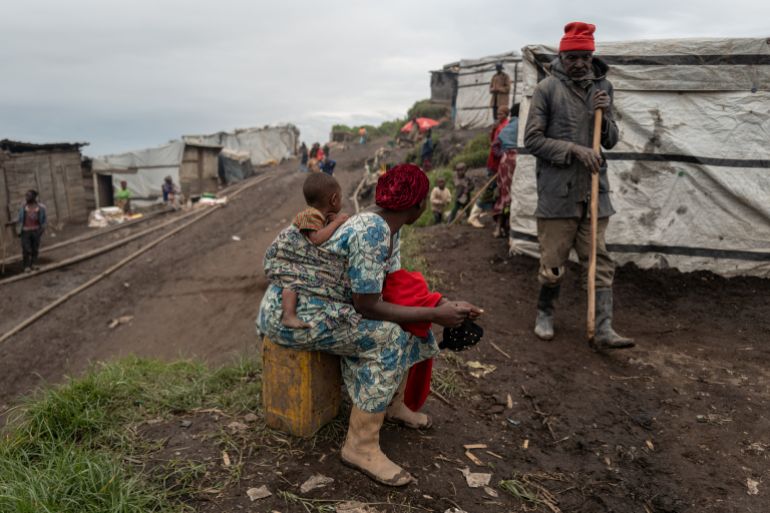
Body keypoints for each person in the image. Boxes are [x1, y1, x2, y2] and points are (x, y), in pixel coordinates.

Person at [258, 164, 482, 486]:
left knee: (405, 320)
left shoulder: (391, 227)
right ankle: (359, 447)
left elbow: (391, 286)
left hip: (331, 304)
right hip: (297, 311)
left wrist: (440, 304)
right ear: (417, 206)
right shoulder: (372, 231)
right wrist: (433, 314)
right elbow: (367, 305)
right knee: (388, 337)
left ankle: (392, 404)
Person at [523, 21, 633, 350]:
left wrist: (606, 112)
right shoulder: (548, 89)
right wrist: (573, 150)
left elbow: (610, 141)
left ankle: (603, 328)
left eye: (584, 56)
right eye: (572, 57)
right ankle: (545, 313)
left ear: (591, 56)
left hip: (595, 194)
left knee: (599, 262)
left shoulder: (604, 88)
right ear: (562, 56)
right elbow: (533, 140)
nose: (579, 63)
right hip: (558, 195)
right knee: (553, 265)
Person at [280, 173, 349, 329]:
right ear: (333, 199)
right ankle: (288, 315)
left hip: (305, 253)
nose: (342, 201)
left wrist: (332, 220)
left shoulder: (321, 215)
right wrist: (336, 222)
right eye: (341, 197)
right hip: (293, 255)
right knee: (293, 280)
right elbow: (316, 239)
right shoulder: (310, 214)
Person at [468, 107, 508, 228]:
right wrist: (504, 156)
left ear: (507, 114)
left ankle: (486, 213)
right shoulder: (502, 127)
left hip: (495, 164)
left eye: (501, 113)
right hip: (496, 165)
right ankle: (473, 216)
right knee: (489, 189)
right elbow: (495, 147)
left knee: (496, 190)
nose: (499, 115)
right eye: (498, 113)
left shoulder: (501, 126)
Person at [492, 104, 520, 238]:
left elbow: (495, 144)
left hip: (504, 161)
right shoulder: (522, 125)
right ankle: (510, 228)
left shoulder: (507, 127)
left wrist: (503, 152)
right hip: (517, 161)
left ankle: (499, 228)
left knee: (504, 194)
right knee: (514, 195)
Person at [17, 190, 47, 272]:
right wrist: (16, 226)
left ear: (34, 197)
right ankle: (26, 266)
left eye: (28, 196)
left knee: (35, 248)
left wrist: (42, 229)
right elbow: (20, 219)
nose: (26, 197)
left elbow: (44, 219)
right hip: (25, 231)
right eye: (26, 195)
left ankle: (33, 264)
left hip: (36, 230)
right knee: (26, 249)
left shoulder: (41, 208)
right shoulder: (23, 207)